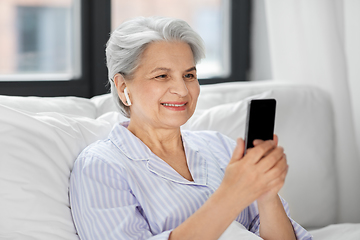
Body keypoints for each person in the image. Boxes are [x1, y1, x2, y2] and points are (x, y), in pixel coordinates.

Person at [69, 16, 313, 240]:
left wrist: (266, 194)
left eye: (188, 75)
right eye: (162, 76)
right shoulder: (101, 166)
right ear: (123, 87)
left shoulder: (221, 147)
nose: (183, 91)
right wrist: (232, 194)